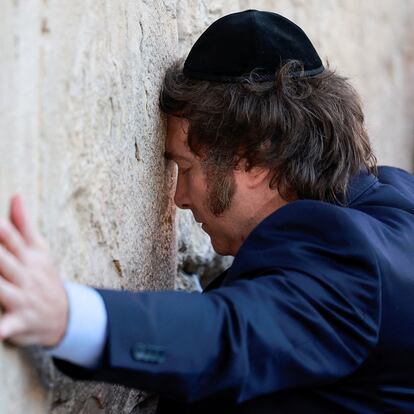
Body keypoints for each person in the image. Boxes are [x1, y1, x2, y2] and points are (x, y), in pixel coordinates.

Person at [0, 9, 413, 414]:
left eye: (186, 167)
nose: (179, 196)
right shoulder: (393, 204)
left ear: (253, 159)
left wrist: (67, 315)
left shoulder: (351, 259)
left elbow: (231, 335)